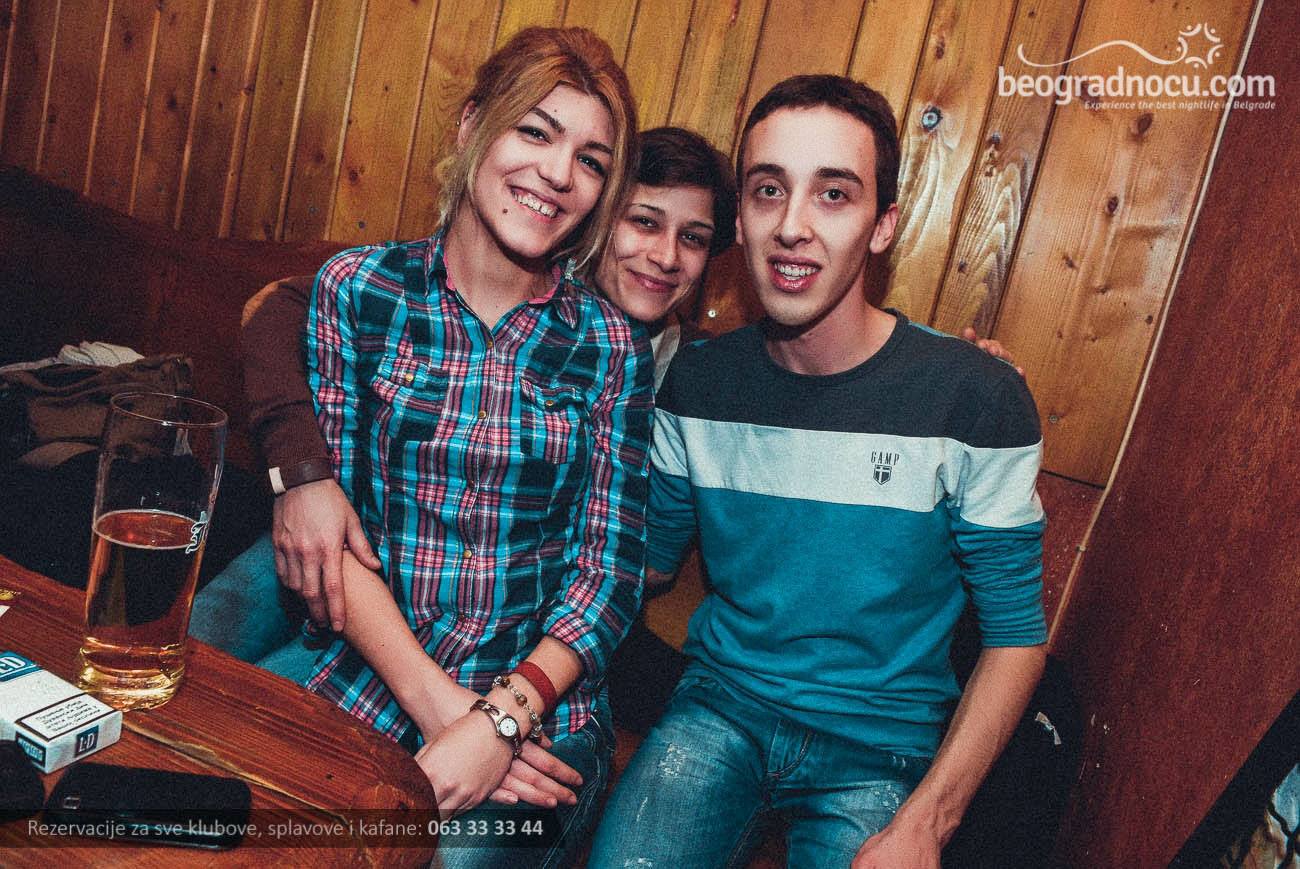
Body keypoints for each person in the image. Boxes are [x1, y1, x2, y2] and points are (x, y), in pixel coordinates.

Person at [588, 74, 1048, 868]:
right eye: (769, 190)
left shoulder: (974, 397)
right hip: (719, 712)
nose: (793, 226)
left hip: (881, 747)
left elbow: (1015, 638)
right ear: (741, 220)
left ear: (883, 225)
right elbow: (645, 562)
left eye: (833, 194)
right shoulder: (698, 384)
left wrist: (926, 825)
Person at [239, 26, 646, 867]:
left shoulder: (612, 346)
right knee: (200, 809)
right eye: (535, 131)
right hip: (371, 668)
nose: (559, 173)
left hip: (544, 716)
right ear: (471, 127)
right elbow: (332, 536)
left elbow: (607, 577)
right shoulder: (361, 290)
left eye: (591, 160)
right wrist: (444, 710)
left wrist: (503, 717)